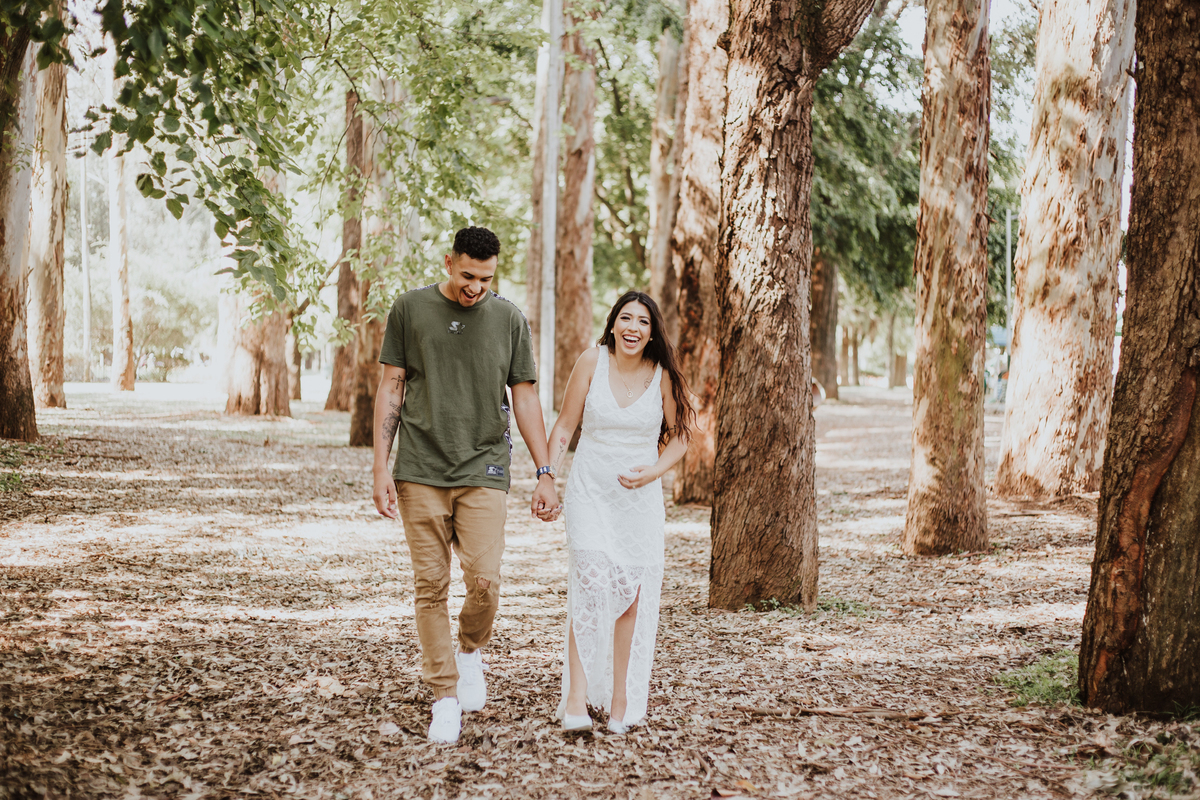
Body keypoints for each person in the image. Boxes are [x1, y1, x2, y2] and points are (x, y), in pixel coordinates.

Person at [371, 226, 559, 745]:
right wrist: (380, 466)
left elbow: (524, 398)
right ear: (449, 262)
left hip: (484, 468)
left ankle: (471, 649)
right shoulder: (410, 309)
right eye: (469, 275)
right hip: (420, 469)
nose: (477, 287)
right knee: (429, 588)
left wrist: (545, 472)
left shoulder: (508, 318)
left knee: (485, 581)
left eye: (487, 278)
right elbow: (391, 386)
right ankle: (445, 698)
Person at [545, 291, 695, 734]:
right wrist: (546, 476)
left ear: (652, 333)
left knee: (629, 594)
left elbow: (682, 436)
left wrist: (654, 472)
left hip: (638, 502)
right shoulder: (592, 361)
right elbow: (566, 426)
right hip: (590, 489)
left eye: (643, 322)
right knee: (590, 582)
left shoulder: (663, 375)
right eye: (625, 319)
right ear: (612, 325)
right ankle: (575, 696)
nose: (633, 327)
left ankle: (620, 696)